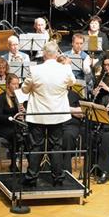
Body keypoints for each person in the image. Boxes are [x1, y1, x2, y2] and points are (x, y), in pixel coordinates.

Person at [21, 41, 75, 185]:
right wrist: (67, 65)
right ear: (57, 54)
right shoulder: (64, 69)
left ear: (44, 54)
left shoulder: (35, 70)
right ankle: (58, 178)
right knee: (56, 146)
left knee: (35, 146)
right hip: (57, 115)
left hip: (38, 114)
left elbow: (25, 90)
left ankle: (32, 177)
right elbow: (72, 82)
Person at [0, 74, 27, 172]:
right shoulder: (2, 98)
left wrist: (23, 112)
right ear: (8, 85)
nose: (16, 86)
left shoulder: (19, 97)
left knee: (27, 134)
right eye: (13, 84)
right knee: (15, 135)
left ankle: (30, 163)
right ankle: (13, 163)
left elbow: (23, 113)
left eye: (17, 84)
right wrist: (12, 117)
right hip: (3, 127)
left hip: (15, 125)